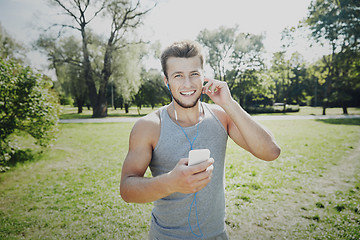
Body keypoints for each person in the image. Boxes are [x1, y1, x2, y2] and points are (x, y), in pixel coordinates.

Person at [120, 40, 281, 239]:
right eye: (178, 75)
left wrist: (229, 103)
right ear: (166, 80)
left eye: (194, 74)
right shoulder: (149, 127)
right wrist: (171, 183)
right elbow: (127, 190)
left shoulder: (222, 117)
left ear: (203, 76)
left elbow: (271, 152)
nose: (187, 84)